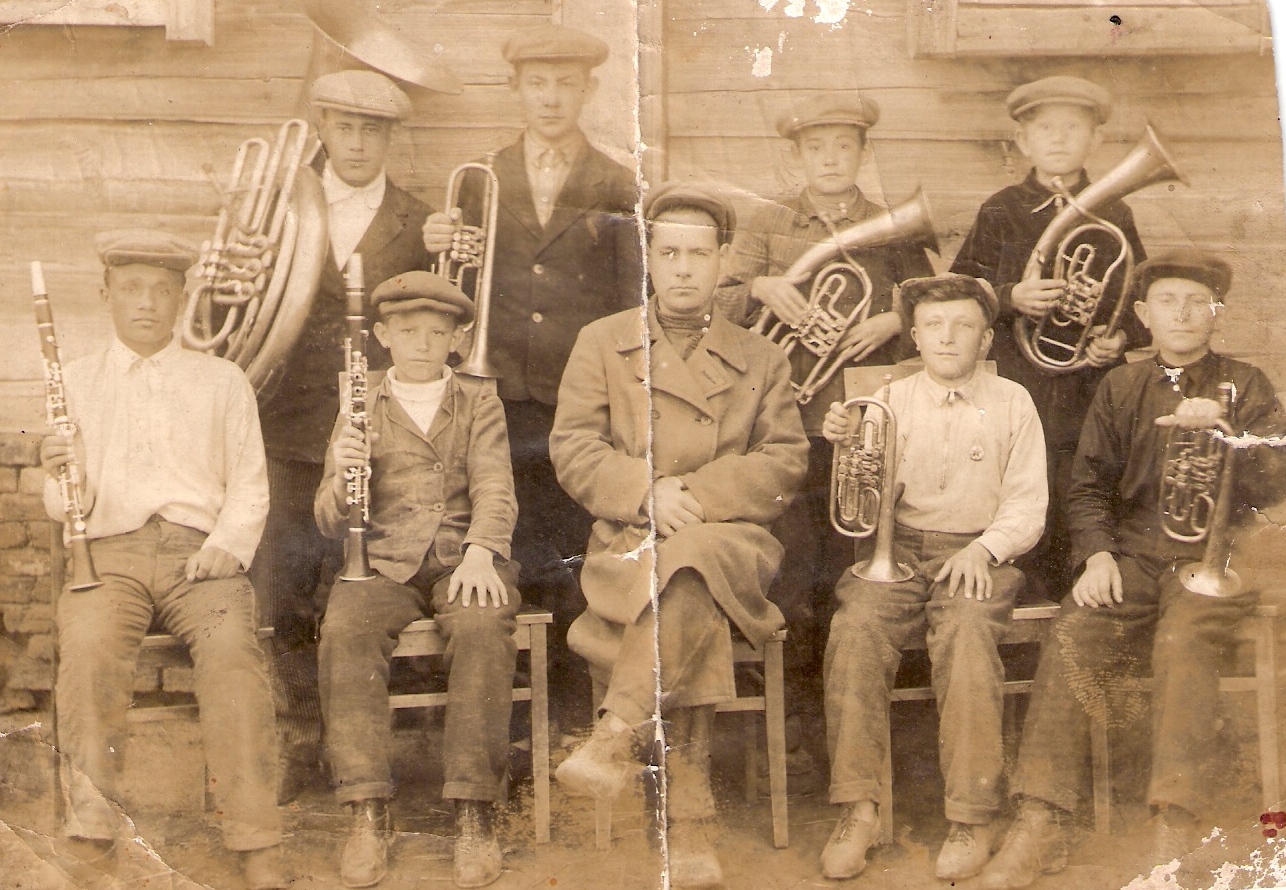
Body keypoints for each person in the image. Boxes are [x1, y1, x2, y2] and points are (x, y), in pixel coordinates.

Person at [977, 250, 1286, 889]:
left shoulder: (1248, 384)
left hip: (1216, 555)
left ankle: (1174, 824)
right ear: (1144, 315)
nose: (1183, 313)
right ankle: (1040, 818)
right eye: (1168, 302)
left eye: (1197, 302)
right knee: (1073, 631)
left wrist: (1229, 432)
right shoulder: (1119, 386)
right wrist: (1095, 554)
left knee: (1183, 641)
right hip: (1134, 554)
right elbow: (1086, 485)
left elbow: (1275, 485)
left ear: (1215, 313)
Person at [549, 183, 808, 889]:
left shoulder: (763, 358)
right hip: (631, 539)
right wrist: (648, 493)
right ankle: (692, 822)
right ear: (650, 259)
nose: (685, 268)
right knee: (685, 576)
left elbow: (785, 460)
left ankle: (614, 734)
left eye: (700, 253)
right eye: (670, 252)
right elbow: (573, 448)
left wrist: (694, 494)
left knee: (693, 558)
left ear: (725, 261)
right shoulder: (601, 342)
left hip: (735, 538)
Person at [40, 230, 287, 889]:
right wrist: (59, 475)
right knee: (89, 649)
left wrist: (224, 549)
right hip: (109, 554)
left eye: (160, 289)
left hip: (196, 557)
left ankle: (255, 837)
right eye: (130, 289)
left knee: (234, 654)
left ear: (182, 298)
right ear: (107, 297)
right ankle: (92, 827)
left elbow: (251, 486)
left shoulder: (221, 379)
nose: (146, 302)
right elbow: (65, 506)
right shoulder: (76, 380)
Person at [715, 94, 934, 782]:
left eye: (845, 146)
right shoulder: (767, 221)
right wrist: (762, 285)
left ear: (863, 153)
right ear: (796, 155)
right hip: (784, 428)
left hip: (861, 429)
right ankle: (800, 731)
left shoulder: (891, 229)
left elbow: (941, 306)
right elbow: (713, 302)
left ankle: (862, 739)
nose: (831, 159)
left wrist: (897, 322)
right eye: (817, 148)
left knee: (855, 574)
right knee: (792, 581)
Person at [421, 25, 642, 705]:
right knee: (502, 542)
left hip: (580, 401)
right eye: (537, 84)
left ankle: (574, 705)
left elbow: (632, 301)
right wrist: (435, 241)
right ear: (516, 89)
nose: (550, 98)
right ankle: (513, 715)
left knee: (577, 550)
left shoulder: (617, 182)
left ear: (588, 90)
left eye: (565, 84)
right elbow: (451, 285)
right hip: (499, 396)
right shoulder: (482, 177)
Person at [818, 274, 1048, 882]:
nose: (948, 338)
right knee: (855, 629)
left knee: (968, 635)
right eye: (935, 326)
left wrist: (986, 549)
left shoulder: (1013, 401)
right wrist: (843, 444)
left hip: (980, 552)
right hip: (898, 549)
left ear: (987, 337)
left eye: (964, 325)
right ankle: (858, 810)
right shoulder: (888, 399)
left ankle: (973, 816)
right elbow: (861, 503)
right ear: (915, 337)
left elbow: (1027, 506)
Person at [254, 68, 434, 801]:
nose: (357, 142)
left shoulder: (421, 221)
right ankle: (298, 737)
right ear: (322, 127)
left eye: (373, 129)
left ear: (391, 138)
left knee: (350, 589)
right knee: (285, 585)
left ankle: (356, 749)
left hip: (379, 433)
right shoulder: (275, 208)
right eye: (345, 126)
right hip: (289, 423)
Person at [314, 272, 519, 889]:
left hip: (466, 555)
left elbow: (495, 486)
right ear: (380, 336)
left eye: (438, 332)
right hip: (382, 559)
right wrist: (341, 477)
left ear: (458, 339)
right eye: (408, 332)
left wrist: (483, 551)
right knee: (345, 631)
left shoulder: (480, 398)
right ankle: (367, 810)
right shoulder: (358, 396)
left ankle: (474, 811)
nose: (424, 344)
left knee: (483, 627)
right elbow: (328, 518)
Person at [951, 75, 1147, 601]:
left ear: (1095, 141)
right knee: (1018, 481)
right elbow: (956, 290)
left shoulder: (1115, 213)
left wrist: (1122, 336)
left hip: (1090, 387)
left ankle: (1081, 602)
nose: (1058, 139)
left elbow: (1141, 296)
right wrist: (1011, 295)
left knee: (1083, 484)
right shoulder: (1001, 208)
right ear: (1024, 142)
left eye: (1073, 128)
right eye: (1044, 129)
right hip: (1019, 381)